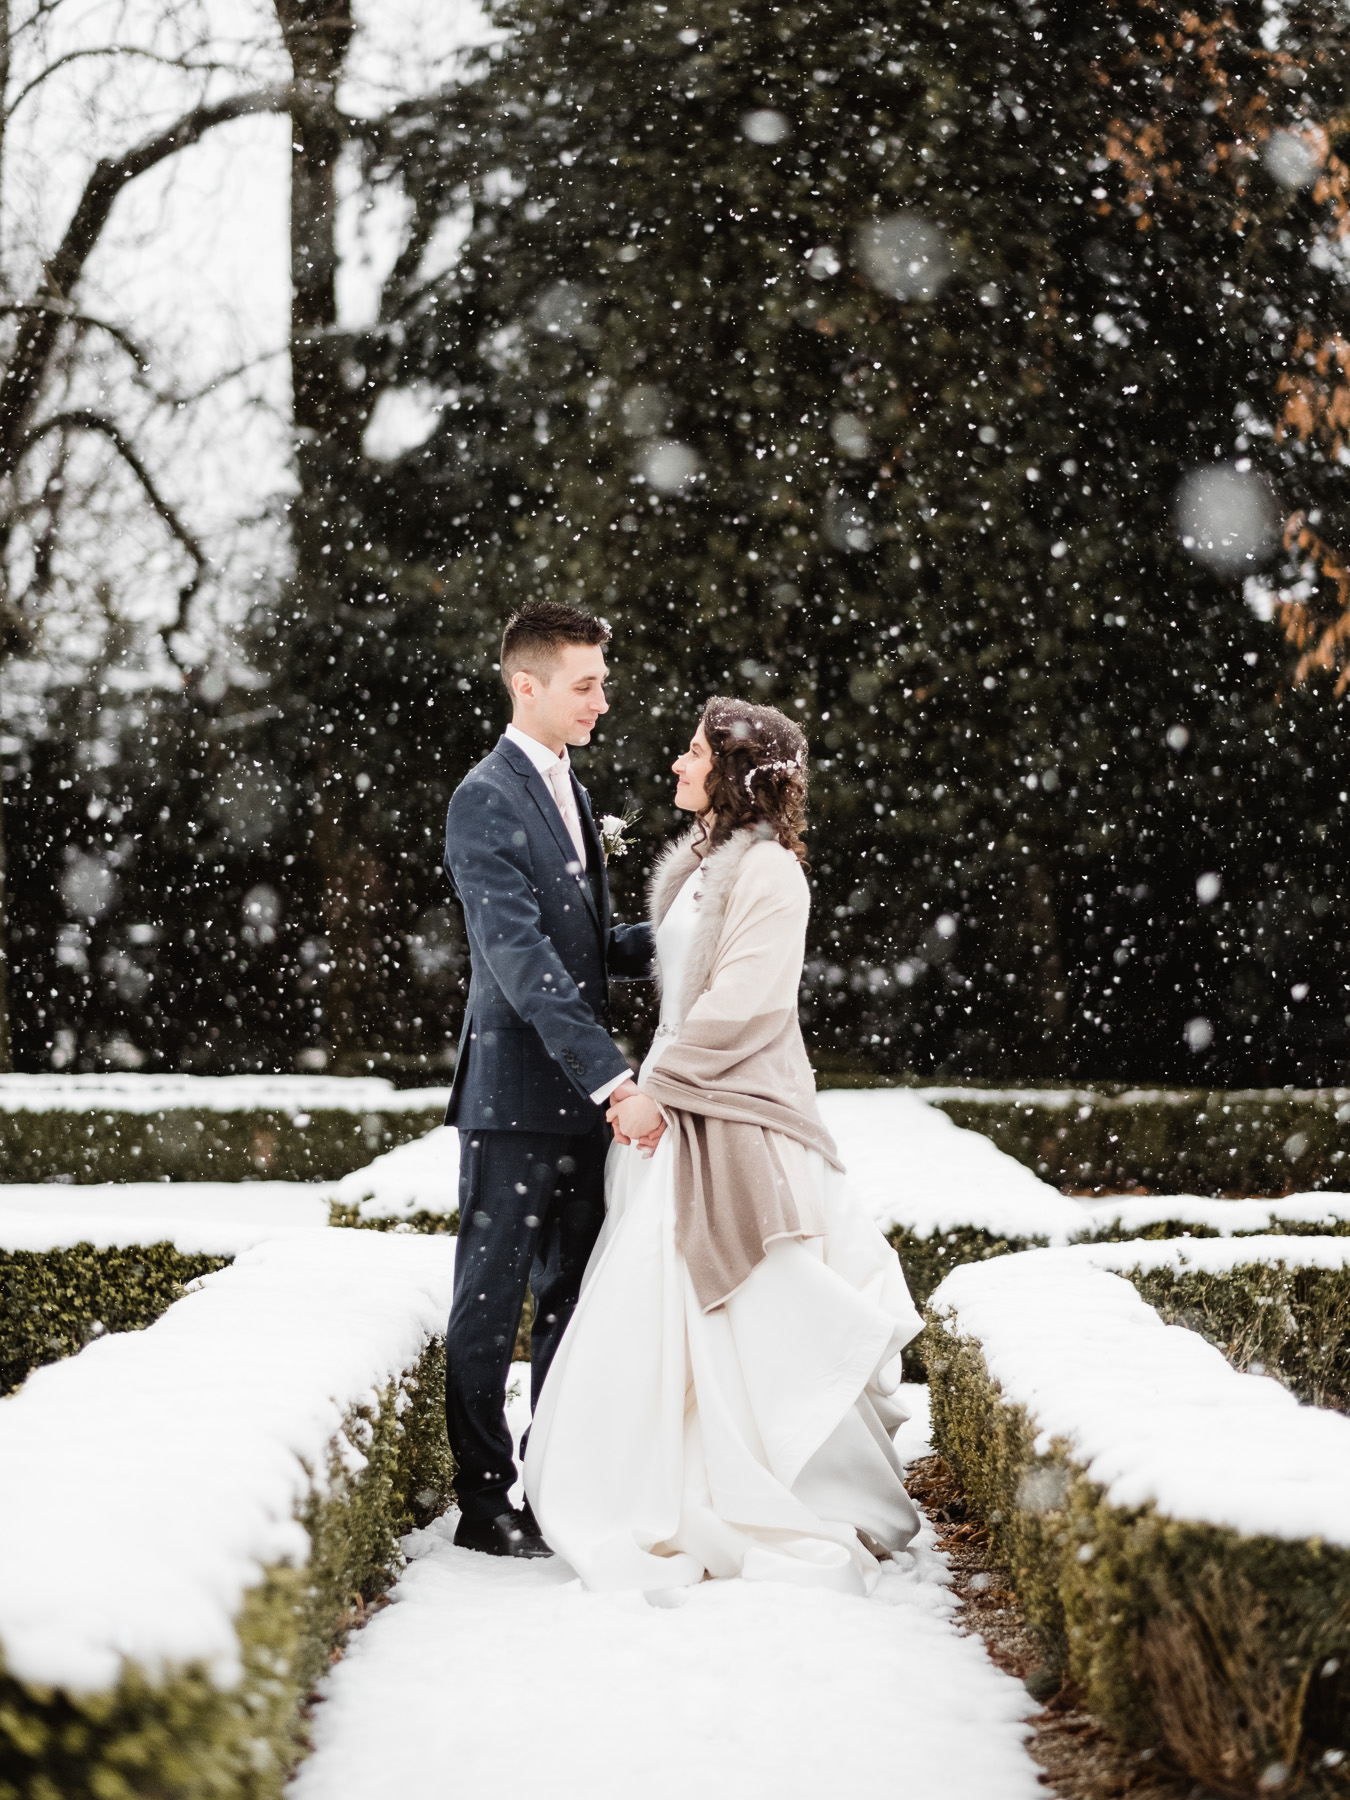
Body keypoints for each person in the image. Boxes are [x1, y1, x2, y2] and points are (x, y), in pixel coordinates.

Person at [524, 697, 923, 1593]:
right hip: (669, 1102)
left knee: (734, 1297)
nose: (677, 763)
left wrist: (655, 1091)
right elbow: (677, 979)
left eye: (693, 751)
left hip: (727, 1106)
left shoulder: (772, 873)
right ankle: (657, 1474)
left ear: (733, 772)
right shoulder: (702, 867)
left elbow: (745, 1004)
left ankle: (755, 1479)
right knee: (652, 1293)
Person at [441, 601, 653, 1557]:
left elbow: (586, 947)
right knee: (490, 1303)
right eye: (586, 684)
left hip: (578, 1100)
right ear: (526, 686)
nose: (602, 701)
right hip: (517, 1098)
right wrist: (614, 1080)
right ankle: (486, 1507)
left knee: (573, 1295)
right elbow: (522, 962)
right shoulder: (483, 798)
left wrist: (694, 926)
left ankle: (557, 1480)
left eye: (601, 682)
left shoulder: (572, 783)